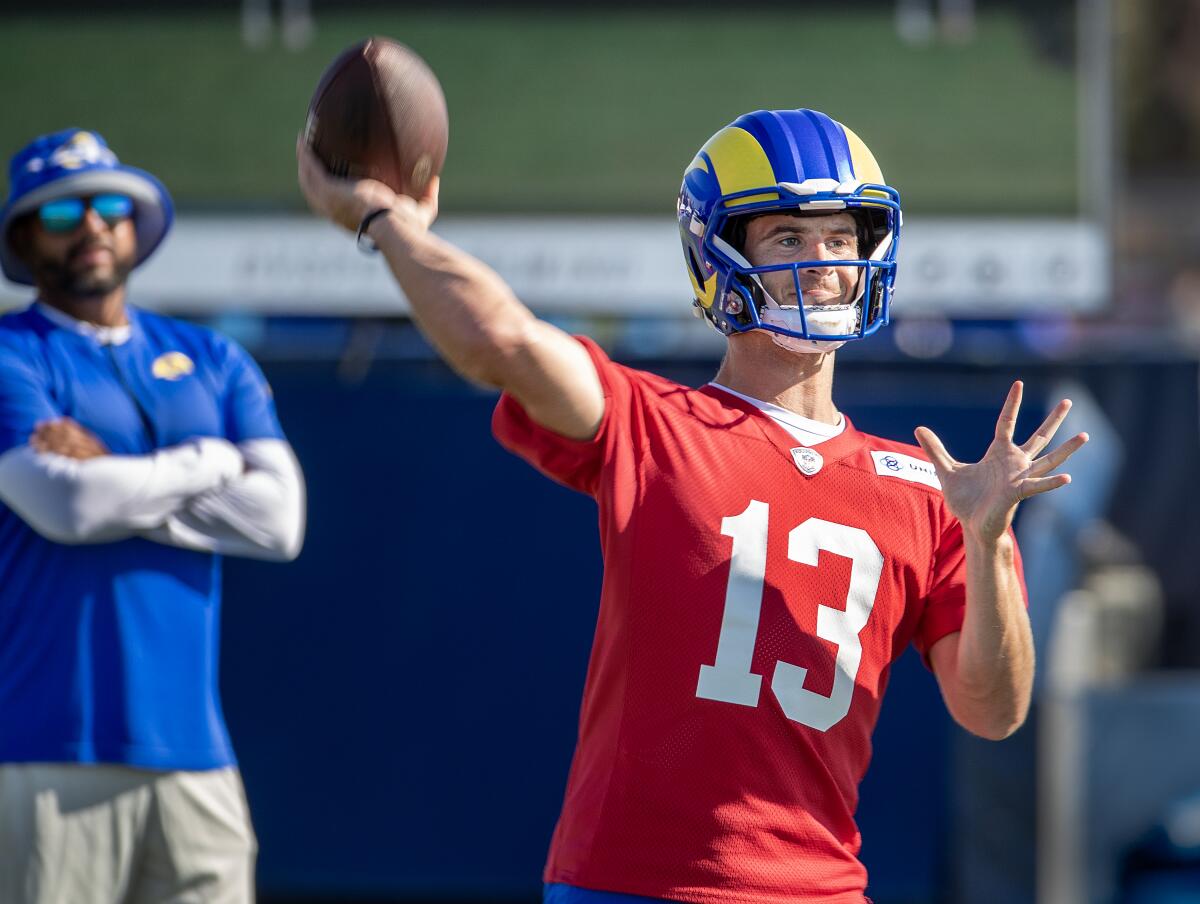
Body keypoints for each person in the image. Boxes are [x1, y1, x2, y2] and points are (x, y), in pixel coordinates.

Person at [296, 108, 1087, 904]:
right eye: (788, 239)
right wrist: (386, 222)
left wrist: (986, 542)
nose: (823, 263)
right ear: (718, 256)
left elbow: (994, 710)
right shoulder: (655, 423)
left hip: (819, 890)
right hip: (632, 884)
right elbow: (499, 340)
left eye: (842, 238)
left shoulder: (935, 490)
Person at [0, 128, 306, 904]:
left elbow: (278, 522)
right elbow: (65, 504)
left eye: (109, 204)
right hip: (46, 747)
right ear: (25, 236)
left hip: (197, 757)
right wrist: (210, 461)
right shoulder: (10, 355)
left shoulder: (211, 356)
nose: (93, 225)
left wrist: (114, 473)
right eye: (63, 212)